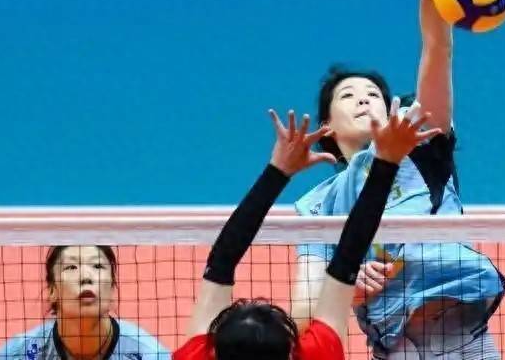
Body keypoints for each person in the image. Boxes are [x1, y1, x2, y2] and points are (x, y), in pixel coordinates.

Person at [290, 0, 505, 360]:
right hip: (397, 349)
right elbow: (304, 313)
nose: (363, 98)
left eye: (373, 93)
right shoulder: (317, 206)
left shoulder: (421, 144)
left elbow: (436, 46)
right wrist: (347, 287)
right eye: (348, 96)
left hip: (468, 341)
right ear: (327, 127)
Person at [174, 103, 441, 360]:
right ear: (290, 352)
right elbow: (348, 256)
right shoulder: (318, 354)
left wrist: (278, 170)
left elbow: (222, 261)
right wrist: (278, 171)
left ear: (214, 352)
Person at [0, 245, 171, 360]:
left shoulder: (149, 354)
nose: (86, 277)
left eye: (97, 266)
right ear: (52, 290)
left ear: (112, 289)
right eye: (71, 267)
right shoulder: (18, 354)